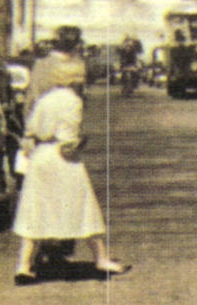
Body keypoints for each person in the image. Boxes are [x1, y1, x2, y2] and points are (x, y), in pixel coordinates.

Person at [12, 56, 131, 284]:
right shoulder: (73, 101)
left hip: (40, 156)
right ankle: (101, 259)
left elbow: (31, 129)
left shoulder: (44, 99)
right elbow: (69, 141)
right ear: (75, 79)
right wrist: (80, 141)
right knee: (83, 206)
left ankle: (24, 266)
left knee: (36, 210)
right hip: (62, 158)